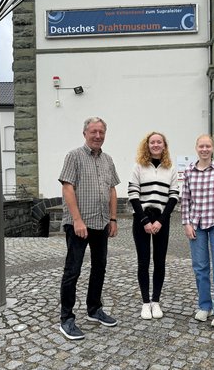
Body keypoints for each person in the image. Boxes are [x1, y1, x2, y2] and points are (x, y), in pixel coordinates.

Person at [58, 117, 120, 340]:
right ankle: (67, 318)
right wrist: (77, 220)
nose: (98, 136)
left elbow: (112, 190)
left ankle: (94, 309)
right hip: (79, 225)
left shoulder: (108, 160)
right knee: (72, 270)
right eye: (93, 131)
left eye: (101, 132)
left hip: (101, 223)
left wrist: (113, 219)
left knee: (99, 267)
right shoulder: (74, 156)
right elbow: (67, 188)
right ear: (84, 133)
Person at [181, 134, 214, 329]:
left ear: (213, 148)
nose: (204, 149)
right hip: (196, 225)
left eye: (208, 146)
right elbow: (185, 200)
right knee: (200, 268)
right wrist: (186, 223)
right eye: (201, 146)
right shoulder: (189, 172)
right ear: (196, 148)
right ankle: (205, 306)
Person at [128, 132, 179, 320]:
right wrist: (144, 221)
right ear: (147, 145)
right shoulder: (139, 166)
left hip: (161, 219)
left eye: (159, 142)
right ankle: (145, 303)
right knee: (143, 262)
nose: (156, 145)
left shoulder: (170, 167)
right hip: (141, 218)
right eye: (152, 142)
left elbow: (173, 196)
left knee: (159, 261)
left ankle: (156, 301)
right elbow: (133, 194)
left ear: (164, 145)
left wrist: (160, 221)